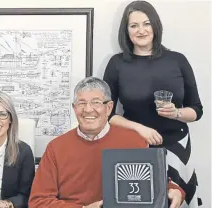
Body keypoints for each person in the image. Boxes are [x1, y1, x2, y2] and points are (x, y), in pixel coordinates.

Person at [102, 1, 203, 207]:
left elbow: (197, 110)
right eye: (134, 26)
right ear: (126, 30)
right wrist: (140, 129)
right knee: (142, 201)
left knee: (178, 200)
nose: (141, 30)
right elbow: (107, 114)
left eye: (146, 24)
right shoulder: (117, 64)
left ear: (156, 26)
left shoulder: (178, 60)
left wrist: (176, 113)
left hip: (177, 144)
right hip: (136, 144)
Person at [28, 77, 185, 208]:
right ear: (74, 108)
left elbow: (155, 184)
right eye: (81, 103)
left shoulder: (134, 141)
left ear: (109, 108)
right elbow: (38, 202)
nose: (88, 109)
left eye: (96, 102)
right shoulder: (56, 148)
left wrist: (174, 190)